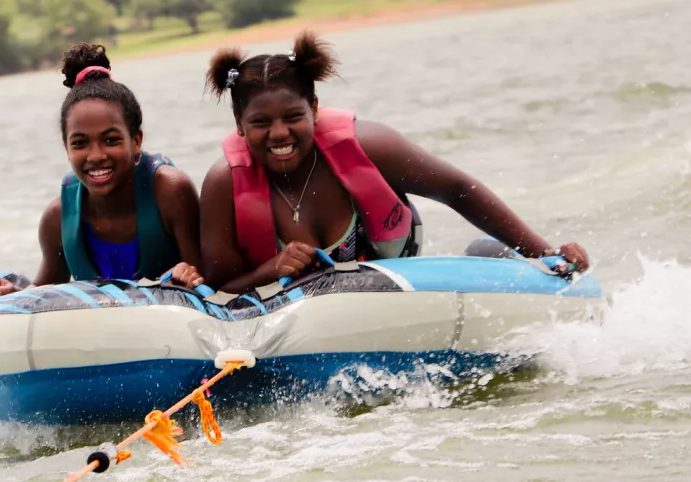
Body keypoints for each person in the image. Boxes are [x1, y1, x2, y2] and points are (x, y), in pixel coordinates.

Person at [199, 31, 590, 294]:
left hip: (394, 274)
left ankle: (490, 254)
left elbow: (457, 190)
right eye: (260, 123)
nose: (279, 133)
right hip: (298, 311)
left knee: (491, 257)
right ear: (239, 124)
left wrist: (544, 254)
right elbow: (220, 288)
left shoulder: (369, 145)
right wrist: (275, 268)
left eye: (293, 117)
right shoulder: (223, 184)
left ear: (315, 110)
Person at [0, 43, 204, 300]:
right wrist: (5, 292)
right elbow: (45, 291)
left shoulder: (170, 192)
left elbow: (207, 276)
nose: (96, 156)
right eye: (80, 143)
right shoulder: (57, 218)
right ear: (66, 148)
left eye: (111, 140)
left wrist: (189, 273)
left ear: (136, 141)